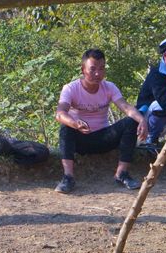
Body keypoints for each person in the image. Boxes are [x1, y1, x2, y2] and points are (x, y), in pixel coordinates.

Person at [54, 48, 147, 193]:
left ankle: (121, 173)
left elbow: (126, 107)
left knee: (131, 122)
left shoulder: (109, 87)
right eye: (92, 69)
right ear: (83, 69)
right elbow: (60, 114)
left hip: (104, 137)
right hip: (81, 138)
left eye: (101, 68)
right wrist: (75, 124)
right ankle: (68, 177)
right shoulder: (71, 88)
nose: (97, 74)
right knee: (65, 128)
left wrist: (142, 120)